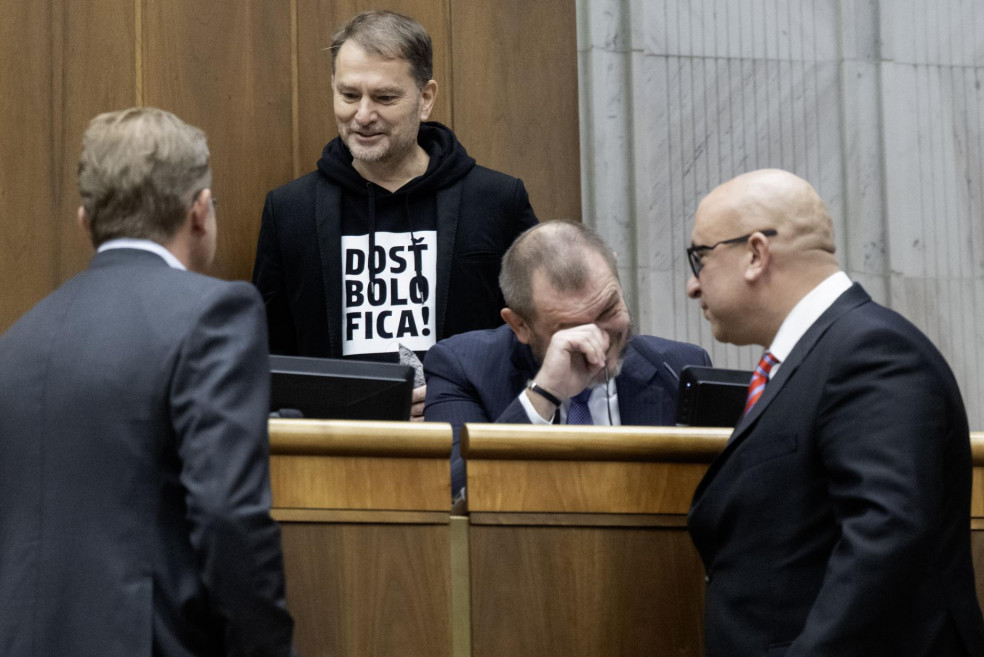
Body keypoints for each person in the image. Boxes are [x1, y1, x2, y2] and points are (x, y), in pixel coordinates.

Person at [0, 108, 294, 656]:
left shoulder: (4, 352)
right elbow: (227, 515)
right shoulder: (215, 314)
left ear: (85, 221)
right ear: (200, 213)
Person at [686, 169, 984, 656]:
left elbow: (886, 535)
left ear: (756, 254)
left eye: (699, 258)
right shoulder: (819, 357)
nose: (692, 286)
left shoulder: (871, 352)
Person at [252, 10, 538, 420]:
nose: (363, 115)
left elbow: (534, 334)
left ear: (425, 99)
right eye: (349, 95)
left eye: (385, 98)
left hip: (465, 443)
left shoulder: (495, 201)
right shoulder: (289, 210)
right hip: (335, 453)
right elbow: (267, 354)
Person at [425, 220, 710, 500]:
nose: (599, 338)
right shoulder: (462, 368)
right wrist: (544, 393)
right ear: (520, 326)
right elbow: (450, 495)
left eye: (609, 310)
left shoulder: (679, 367)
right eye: (571, 329)